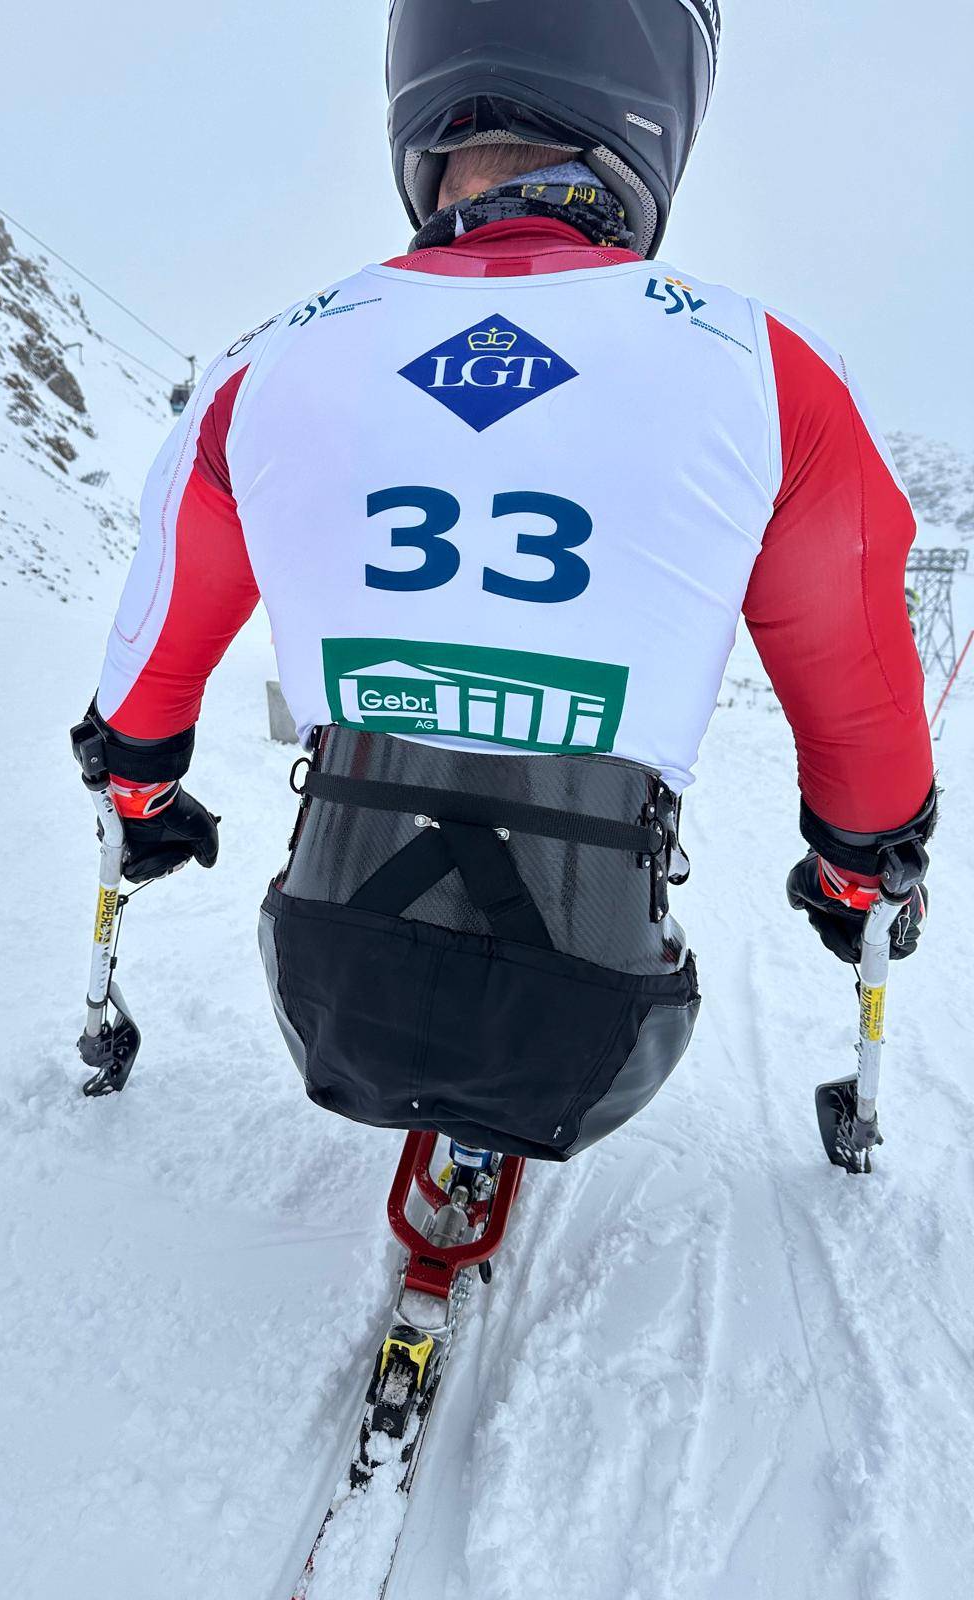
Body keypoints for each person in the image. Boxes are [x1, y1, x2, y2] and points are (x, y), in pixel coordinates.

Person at [79, 0, 933, 1161]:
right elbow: (863, 717)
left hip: (327, 985)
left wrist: (140, 800)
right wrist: (861, 878)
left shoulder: (265, 363)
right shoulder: (764, 371)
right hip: (602, 1023)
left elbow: (144, 684)